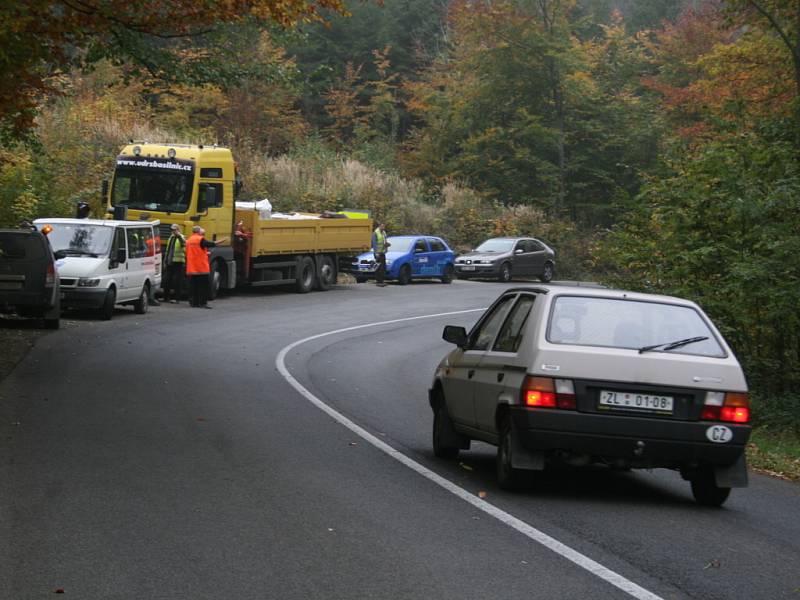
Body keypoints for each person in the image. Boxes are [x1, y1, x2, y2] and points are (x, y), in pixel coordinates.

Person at [185, 226, 228, 308]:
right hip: (201, 268)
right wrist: (223, 240)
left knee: (193, 286)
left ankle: (193, 303)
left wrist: (204, 253)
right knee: (203, 286)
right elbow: (212, 244)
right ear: (199, 232)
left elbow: (191, 252)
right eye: (202, 233)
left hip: (191, 267)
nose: (203, 235)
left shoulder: (189, 240)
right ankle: (202, 303)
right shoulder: (200, 239)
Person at [162, 224, 186, 303]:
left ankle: (177, 299)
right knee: (166, 280)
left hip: (178, 263)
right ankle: (166, 298)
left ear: (178, 230)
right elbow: (168, 250)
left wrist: (178, 236)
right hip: (170, 262)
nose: (173, 231)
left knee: (177, 281)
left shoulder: (182, 237)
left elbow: (184, 244)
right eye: (172, 230)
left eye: (175, 230)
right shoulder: (171, 238)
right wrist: (165, 261)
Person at [372, 222, 390, 287]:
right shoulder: (375, 233)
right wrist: (376, 253)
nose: (383, 228)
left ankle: (381, 281)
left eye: (384, 226)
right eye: (382, 226)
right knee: (379, 268)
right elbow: (374, 244)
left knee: (383, 267)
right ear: (379, 226)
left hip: (382, 252)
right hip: (377, 253)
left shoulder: (384, 233)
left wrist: (387, 245)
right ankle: (378, 281)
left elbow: (384, 242)